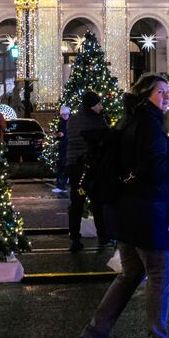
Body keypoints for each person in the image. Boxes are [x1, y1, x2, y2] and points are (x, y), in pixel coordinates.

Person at [74, 73, 169, 338]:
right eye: (160, 92)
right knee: (159, 277)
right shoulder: (150, 125)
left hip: (129, 213)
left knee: (130, 275)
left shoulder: (128, 121)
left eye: (168, 91)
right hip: (151, 214)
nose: (167, 96)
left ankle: (94, 335)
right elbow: (154, 169)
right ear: (145, 95)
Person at [64, 92, 109, 250]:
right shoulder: (96, 120)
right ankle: (103, 235)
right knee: (97, 201)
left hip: (73, 167)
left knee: (77, 201)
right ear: (92, 105)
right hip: (90, 168)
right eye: (99, 104)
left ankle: (75, 238)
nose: (101, 107)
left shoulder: (73, 119)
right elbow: (104, 141)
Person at [52, 104, 71, 195]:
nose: (64, 116)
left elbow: (67, 134)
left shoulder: (70, 122)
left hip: (67, 147)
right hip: (63, 147)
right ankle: (60, 185)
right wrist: (57, 135)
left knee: (63, 166)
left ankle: (62, 185)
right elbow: (60, 134)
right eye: (63, 115)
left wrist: (61, 135)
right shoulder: (62, 122)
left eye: (66, 114)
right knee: (62, 166)